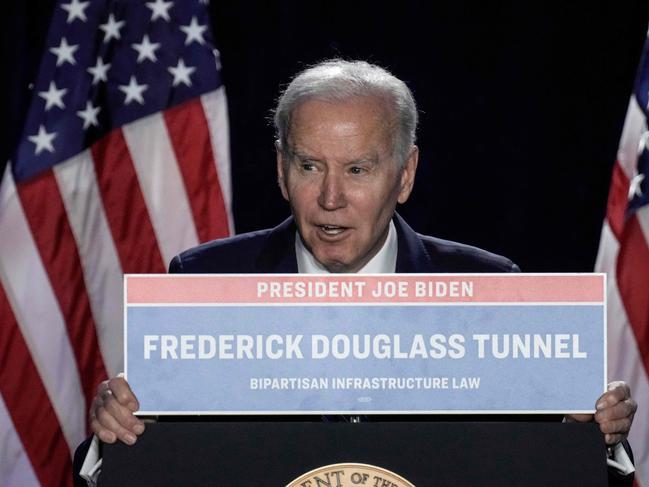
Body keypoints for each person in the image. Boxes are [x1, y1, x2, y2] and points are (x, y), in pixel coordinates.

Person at [76, 59, 637, 486]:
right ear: (280, 170)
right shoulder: (203, 284)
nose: (330, 198)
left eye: (358, 169)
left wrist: (592, 436)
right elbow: (160, 465)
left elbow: (532, 468)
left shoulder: (490, 292)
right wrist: (114, 437)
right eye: (309, 165)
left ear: (405, 174)